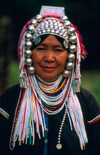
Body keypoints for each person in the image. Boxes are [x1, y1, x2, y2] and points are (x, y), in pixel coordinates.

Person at [0, 6, 100, 155]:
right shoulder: (11, 99)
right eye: (41, 48)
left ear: (69, 56)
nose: (49, 58)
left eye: (58, 50)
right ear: (29, 53)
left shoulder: (86, 102)